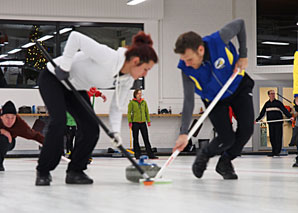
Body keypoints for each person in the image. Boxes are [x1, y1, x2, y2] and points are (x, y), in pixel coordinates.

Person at [36, 31, 158, 186]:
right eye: (146, 69)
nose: (145, 74)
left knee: (91, 128)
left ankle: (75, 171)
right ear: (135, 61)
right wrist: (65, 66)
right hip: (54, 77)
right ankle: (43, 171)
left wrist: (115, 133)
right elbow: (75, 37)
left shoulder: (127, 80)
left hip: (75, 87)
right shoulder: (108, 56)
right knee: (59, 121)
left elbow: (116, 107)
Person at [172, 19, 255, 180]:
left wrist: (243, 55)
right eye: (184, 60)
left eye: (189, 59)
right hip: (214, 99)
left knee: (246, 129)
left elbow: (240, 24)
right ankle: (205, 154)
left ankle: (225, 161)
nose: (187, 63)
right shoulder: (186, 69)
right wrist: (184, 133)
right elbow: (188, 100)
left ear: (201, 49)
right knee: (227, 138)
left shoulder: (218, 40)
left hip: (237, 86)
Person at [0, 101, 44, 171]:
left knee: (3, 139)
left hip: (8, 141)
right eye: (7, 117)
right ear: (1, 117)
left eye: (12, 118)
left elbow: (34, 135)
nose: (10, 121)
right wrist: (1, 131)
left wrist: (50, 145)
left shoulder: (19, 124)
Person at [255, 90, 292, 156]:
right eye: (271, 94)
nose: (273, 95)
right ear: (268, 95)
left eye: (274, 94)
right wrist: (257, 120)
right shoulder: (267, 104)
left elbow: (284, 110)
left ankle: (277, 152)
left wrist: (290, 116)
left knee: (278, 137)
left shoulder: (278, 103)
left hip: (278, 123)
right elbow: (262, 113)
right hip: (271, 123)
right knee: (272, 137)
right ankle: (274, 151)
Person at [127, 89, 157, 159]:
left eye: (141, 93)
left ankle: (150, 154)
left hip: (143, 123)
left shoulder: (144, 102)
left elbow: (146, 111)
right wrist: (130, 122)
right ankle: (137, 155)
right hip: (135, 123)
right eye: (138, 93)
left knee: (146, 138)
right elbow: (129, 113)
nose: (140, 95)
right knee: (136, 139)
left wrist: (148, 121)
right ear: (135, 94)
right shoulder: (132, 103)